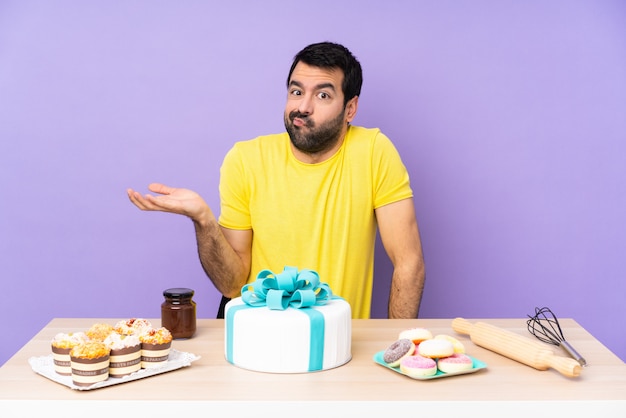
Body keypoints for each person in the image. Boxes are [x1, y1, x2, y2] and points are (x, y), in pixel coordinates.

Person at [127, 41, 425, 319]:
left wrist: (398, 349)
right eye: (296, 92)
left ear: (350, 109)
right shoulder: (246, 159)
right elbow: (232, 285)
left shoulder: (373, 151)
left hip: (336, 342)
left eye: (322, 95)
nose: (303, 106)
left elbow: (409, 263)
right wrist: (204, 221)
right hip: (260, 339)